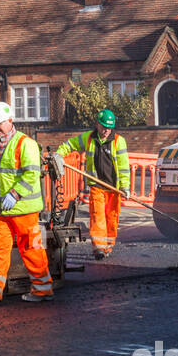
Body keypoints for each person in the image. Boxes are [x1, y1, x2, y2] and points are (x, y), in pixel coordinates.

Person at [0, 101, 54, 304]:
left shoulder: (25, 143)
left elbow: (31, 174)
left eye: (0, 124)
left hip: (24, 209)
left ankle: (43, 289)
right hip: (2, 210)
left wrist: (15, 195)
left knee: (31, 247)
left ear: (10, 121)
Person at [52, 108, 129, 259]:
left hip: (113, 188)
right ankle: (99, 248)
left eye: (109, 127)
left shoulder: (119, 141)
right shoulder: (89, 138)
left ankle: (108, 247)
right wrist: (59, 154)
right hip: (97, 186)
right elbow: (70, 144)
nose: (107, 130)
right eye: (104, 127)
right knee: (97, 216)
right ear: (97, 124)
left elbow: (124, 166)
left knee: (111, 218)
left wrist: (125, 187)